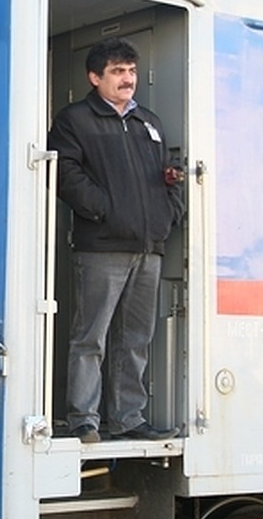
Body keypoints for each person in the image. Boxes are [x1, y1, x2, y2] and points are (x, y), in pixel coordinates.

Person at [48, 36, 184, 443]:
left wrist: (168, 215)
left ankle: (129, 419)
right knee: (91, 337)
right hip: (101, 247)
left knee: (136, 339)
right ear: (95, 78)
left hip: (148, 247)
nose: (128, 80)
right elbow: (66, 175)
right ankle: (83, 420)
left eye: (132, 72)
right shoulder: (75, 120)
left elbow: (169, 173)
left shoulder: (150, 123)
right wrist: (106, 211)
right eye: (117, 72)